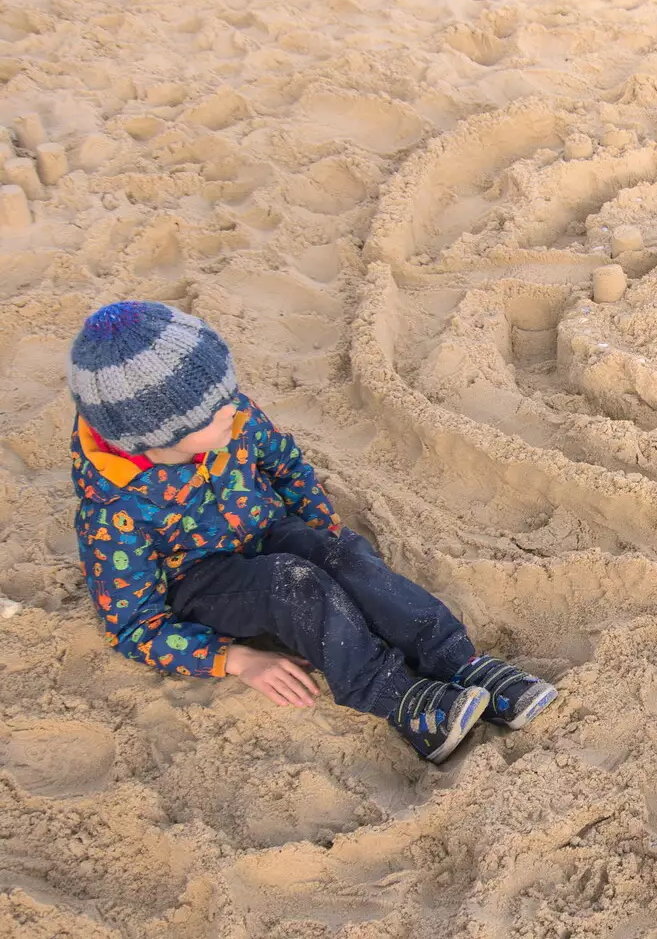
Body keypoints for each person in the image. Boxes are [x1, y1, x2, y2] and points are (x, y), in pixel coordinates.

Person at [68, 301, 558, 763]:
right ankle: (399, 698)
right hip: (202, 580)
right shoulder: (114, 511)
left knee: (342, 557)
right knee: (293, 585)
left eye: (229, 393)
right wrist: (233, 659)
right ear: (158, 435)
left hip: (266, 526)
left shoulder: (230, 415)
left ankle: (457, 660)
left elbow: (285, 466)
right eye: (214, 410)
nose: (233, 409)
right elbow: (133, 625)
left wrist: (326, 535)